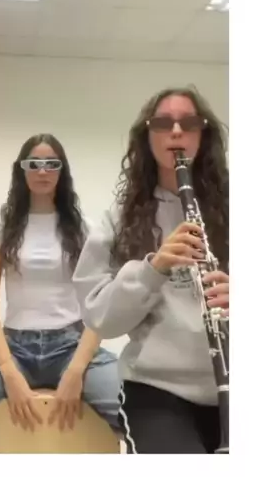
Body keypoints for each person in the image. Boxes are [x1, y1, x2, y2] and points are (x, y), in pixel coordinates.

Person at [73, 87, 229, 454]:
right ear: (147, 136)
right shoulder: (121, 218)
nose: (176, 132)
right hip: (157, 390)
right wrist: (153, 269)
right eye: (163, 123)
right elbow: (101, 318)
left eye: (188, 123)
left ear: (203, 134)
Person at [0, 134, 122, 446]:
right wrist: (8, 372)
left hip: (71, 345)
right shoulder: (1, 227)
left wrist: (77, 370)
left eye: (51, 163)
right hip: (14, 347)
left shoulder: (84, 228)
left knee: (131, 404)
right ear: (21, 170)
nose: (42, 171)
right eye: (33, 164)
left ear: (62, 170)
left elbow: (100, 304)